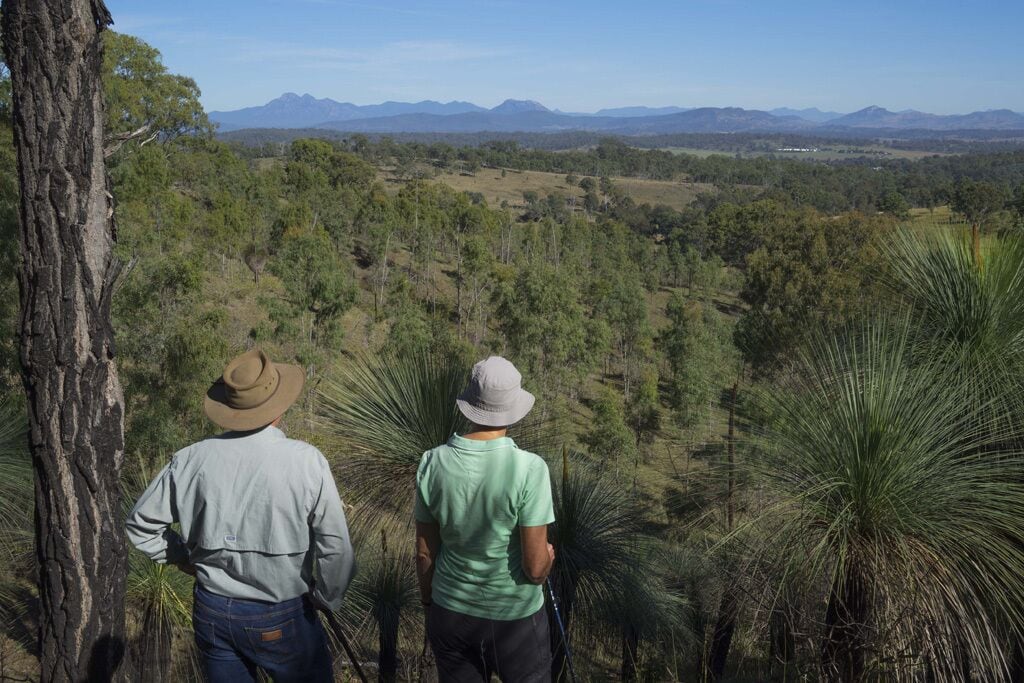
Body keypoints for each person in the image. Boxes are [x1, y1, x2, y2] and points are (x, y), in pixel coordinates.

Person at [126, 349, 355, 683]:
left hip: (213, 610)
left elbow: (140, 526)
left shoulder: (190, 459)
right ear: (278, 408)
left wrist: (182, 558)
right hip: (283, 613)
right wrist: (327, 598)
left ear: (230, 408)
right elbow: (335, 547)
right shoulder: (306, 461)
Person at [415, 356, 556, 682]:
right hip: (515, 620)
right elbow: (535, 570)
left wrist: (429, 604)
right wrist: (548, 559)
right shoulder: (529, 468)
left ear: (470, 405)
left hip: (450, 612)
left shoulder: (432, 462)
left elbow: (424, 553)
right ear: (513, 409)